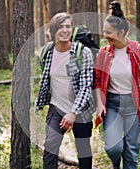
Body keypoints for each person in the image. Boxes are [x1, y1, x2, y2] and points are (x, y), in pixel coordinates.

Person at [94, 1, 140, 169]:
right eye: (104, 32)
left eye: (109, 32)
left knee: (131, 152)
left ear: (122, 32)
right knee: (113, 148)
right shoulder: (103, 54)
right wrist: (99, 103)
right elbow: (97, 81)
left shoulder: (139, 50)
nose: (105, 36)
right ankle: (116, 165)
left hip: (135, 105)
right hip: (112, 105)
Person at [35, 12, 95, 169]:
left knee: (83, 151)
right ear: (53, 30)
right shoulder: (47, 52)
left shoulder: (83, 53)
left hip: (81, 110)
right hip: (57, 107)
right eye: (60, 27)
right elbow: (46, 80)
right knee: (50, 148)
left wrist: (73, 112)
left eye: (68, 26)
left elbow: (85, 87)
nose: (65, 30)